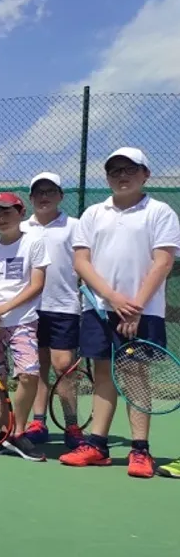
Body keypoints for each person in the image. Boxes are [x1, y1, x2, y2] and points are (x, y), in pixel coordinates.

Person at [60, 148, 180, 478]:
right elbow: (81, 261)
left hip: (142, 312)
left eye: (130, 169)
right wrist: (112, 299)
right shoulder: (93, 214)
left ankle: (140, 450)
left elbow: (163, 262)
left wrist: (134, 307)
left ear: (146, 174)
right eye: (115, 171)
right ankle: (97, 446)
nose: (122, 176)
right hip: (99, 309)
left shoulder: (160, 212)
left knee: (134, 374)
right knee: (102, 373)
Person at [0, 192, 49, 461]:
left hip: (22, 322)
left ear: (21, 212)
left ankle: (18, 432)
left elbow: (37, 284)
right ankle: (4, 435)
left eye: (6, 212)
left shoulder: (34, 243)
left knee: (29, 374)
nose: (0, 218)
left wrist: (2, 309)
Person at [22, 173, 82, 447]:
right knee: (37, 368)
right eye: (38, 192)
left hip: (64, 307)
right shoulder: (22, 228)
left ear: (60, 196)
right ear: (31, 198)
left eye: (50, 191)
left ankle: (72, 425)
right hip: (29, 310)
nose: (44, 197)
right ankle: (38, 421)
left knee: (63, 366)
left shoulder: (75, 226)